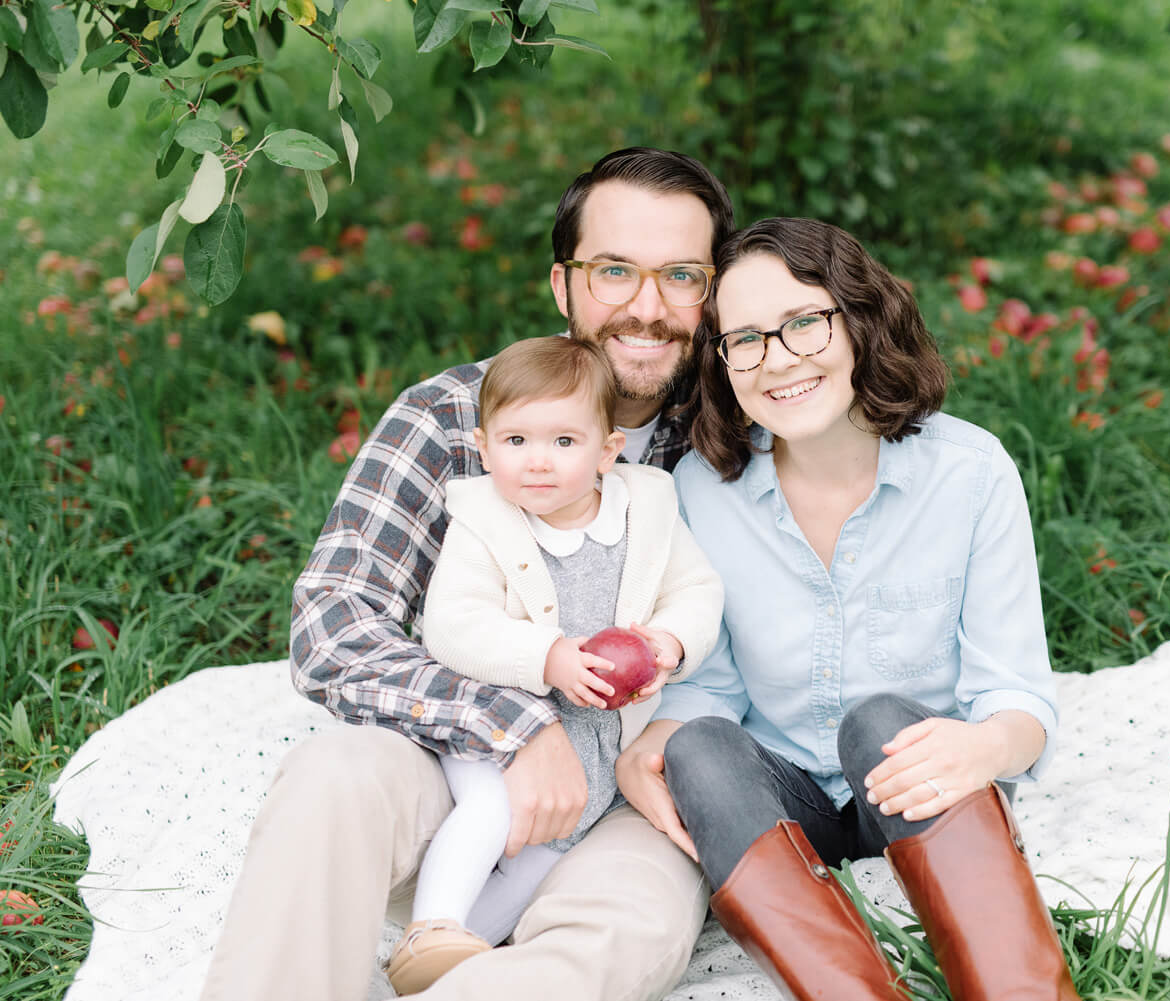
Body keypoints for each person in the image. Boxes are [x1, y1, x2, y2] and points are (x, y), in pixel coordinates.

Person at [199, 147, 734, 1001]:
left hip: (632, 788)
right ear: (563, 287)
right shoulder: (455, 417)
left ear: (713, 294)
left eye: (681, 275)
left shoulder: (740, 432)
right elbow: (334, 624)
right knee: (331, 779)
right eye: (614, 271)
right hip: (458, 771)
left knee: (635, 921)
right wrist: (513, 726)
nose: (647, 306)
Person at [615, 218, 1081, 1001]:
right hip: (783, 799)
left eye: (804, 322)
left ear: (860, 320)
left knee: (880, 720)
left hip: (916, 786)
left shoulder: (970, 474)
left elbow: (1018, 693)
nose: (779, 359)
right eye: (747, 339)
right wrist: (651, 746)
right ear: (723, 360)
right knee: (697, 744)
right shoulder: (700, 488)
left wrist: (986, 747)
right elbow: (714, 685)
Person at [384, 336, 722, 993]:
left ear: (607, 450)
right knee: (490, 812)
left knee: (544, 856)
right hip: (497, 728)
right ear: (485, 449)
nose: (537, 462)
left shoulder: (648, 507)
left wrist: (670, 642)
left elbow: (697, 589)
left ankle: (461, 959)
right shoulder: (484, 521)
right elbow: (455, 625)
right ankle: (432, 924)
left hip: (596, 748)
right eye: (515, 442)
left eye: (564, 442)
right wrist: (546, 655)